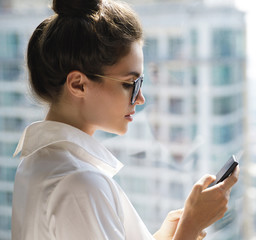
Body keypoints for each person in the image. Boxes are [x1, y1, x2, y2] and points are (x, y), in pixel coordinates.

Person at [11, 0, 240, 239]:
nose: (140, 98)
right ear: (78, 84)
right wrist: (190, 227)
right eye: (130, 84)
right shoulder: (80, 184)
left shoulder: (35, 163)